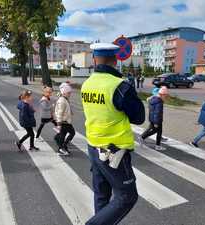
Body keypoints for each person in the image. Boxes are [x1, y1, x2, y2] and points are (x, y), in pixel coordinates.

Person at [81, 43, 145, 225]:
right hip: (114, 150)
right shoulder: (119, 86)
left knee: (101, 194)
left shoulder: (87, 84)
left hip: (93, 146)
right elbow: (139, 117)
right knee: (127, 197)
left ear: (94, 60)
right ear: (115, 60)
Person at [141, 86, 168, 151]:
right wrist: (156, 122)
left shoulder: (153, 99)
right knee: (157, 131)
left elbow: (152, 111)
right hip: (157, 120)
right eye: (165, 95)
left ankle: (142, 137)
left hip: (152, 118)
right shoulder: (159, 101)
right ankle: (156, 145)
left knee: (156, 130)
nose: (166, 97)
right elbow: (157, 113)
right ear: (162, 94)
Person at [54, 82, 75, 156]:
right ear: (64, 93)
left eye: (70, 93)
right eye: (69, 93)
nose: (70, 94)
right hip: (63, 121)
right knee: (65, 135)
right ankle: (61, 148)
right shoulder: (62, 101)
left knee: (68, 133)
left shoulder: (65, 99)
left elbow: (67, 108)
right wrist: (59, 124)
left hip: (66, 121)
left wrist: (70, 112)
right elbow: (59, 113)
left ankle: (61, 143)